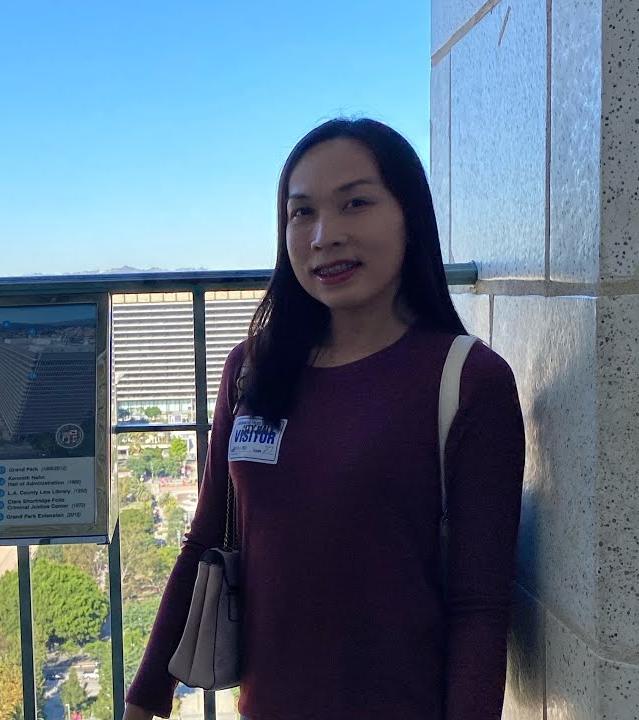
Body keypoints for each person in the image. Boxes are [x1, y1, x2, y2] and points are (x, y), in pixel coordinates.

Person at [122, 118, 526, 719]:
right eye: (301, 212)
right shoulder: (252, 369)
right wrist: (144, 698)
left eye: (355, 203)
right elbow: (206, 537)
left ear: (409, 216)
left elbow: (480, 605)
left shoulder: (467, 380)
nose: (324, 236)